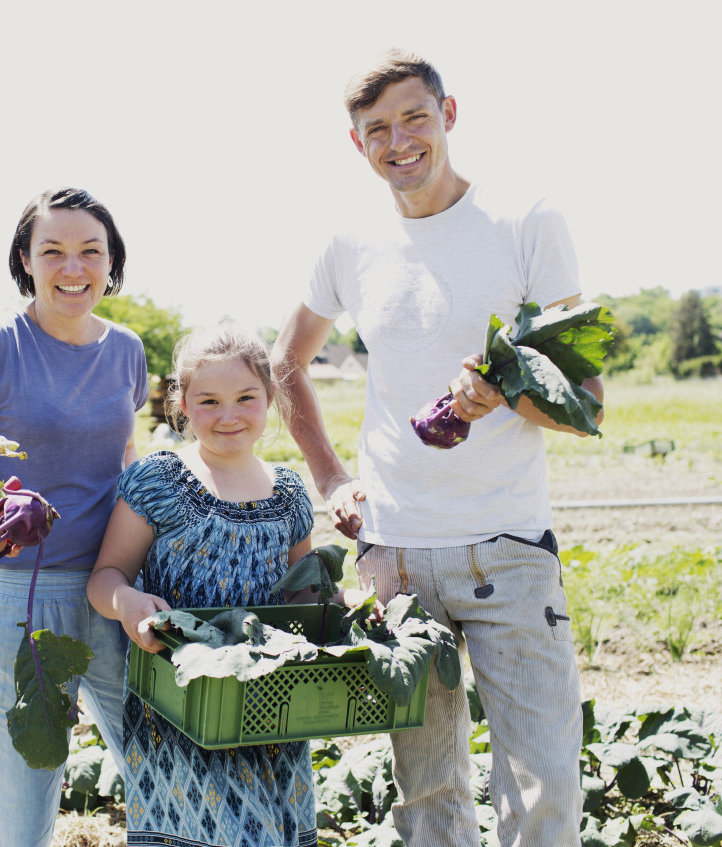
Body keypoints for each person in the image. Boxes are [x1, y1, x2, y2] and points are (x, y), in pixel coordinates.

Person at [271, 49, 604, 847]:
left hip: (510, 550)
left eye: (415, 117)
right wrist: (330, 476)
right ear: (358, 145)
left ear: (449, 116)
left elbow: (586, 403)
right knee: (427, 798)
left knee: (546, 787)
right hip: (397, 557)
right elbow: (283, 365)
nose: (399, 140)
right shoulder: (349, 243)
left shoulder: (527, 221)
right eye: (377, 128)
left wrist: (503, 394)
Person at [0, 187, 148, 847]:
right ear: (26, 258)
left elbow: (127, 462)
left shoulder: (128, 350)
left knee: (162, 767)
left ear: (110, 262)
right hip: (18, 598)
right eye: (53, 251)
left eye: (89, 251)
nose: (72, 267)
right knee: (18, 813)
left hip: (113, 591)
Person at [87, 324, 319, 847]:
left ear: (270, 399)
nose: (229, 415)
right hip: (182, 707)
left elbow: (305, 597)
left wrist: (347, 606)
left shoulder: (290, 492)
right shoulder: (158, 481)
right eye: (209, 401)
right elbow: (105, 578)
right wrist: (127, 604)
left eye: (245, 398)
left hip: (270, 709)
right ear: (183, 404)